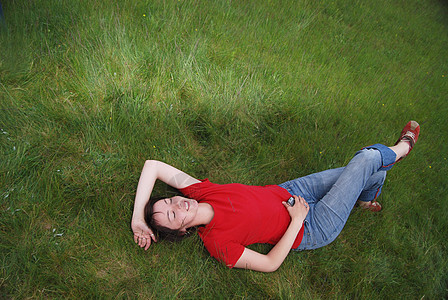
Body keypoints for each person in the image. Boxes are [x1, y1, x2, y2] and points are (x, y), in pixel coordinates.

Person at [131, 121, 420, 272]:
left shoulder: (199, 191)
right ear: (183, 230)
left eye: (168, 201)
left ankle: (364, 201)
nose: (176, 204)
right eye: (172, 215)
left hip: (294, 191)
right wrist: (297, 221)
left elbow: (152, 166)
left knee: (374, 174)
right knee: (367, 160)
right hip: (310, 227)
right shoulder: (217, 243)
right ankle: (404, 148)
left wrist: (138, 220)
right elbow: (269, 265)